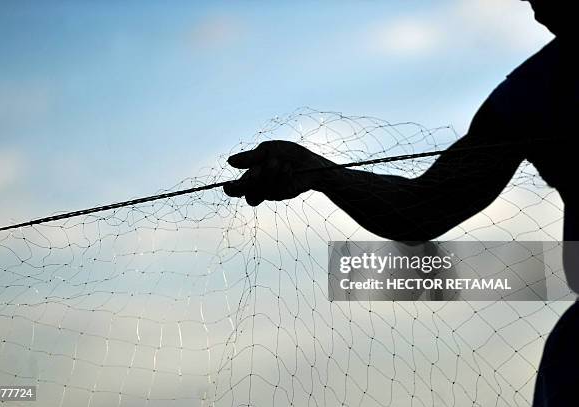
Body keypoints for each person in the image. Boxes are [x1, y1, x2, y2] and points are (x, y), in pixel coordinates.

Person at [224, 1, 578, 405]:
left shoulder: (538, 90)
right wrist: (320, 172)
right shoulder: (536, 92)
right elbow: (424, 209)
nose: (537, 11)